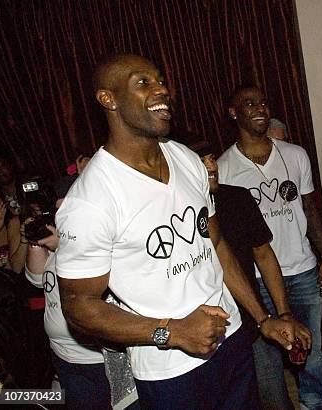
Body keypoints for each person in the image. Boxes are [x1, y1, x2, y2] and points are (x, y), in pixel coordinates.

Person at [55, 54, 301, 409]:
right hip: (170, 369)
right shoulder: (91, 199)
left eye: (160, 80)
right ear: (108, 99)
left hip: (232, 342)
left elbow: (215, 243)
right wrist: (170, 331)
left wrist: (262, 319)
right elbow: (79, 306)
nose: (162, 89)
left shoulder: (185, 158)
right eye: (143, 83)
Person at [218, 85, 322, 410]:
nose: (259, 109)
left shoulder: (294, 155)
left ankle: (314, 405)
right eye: (249, 103)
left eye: (264, 102)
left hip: (302, 270)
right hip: (256, 281)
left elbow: (311, 209)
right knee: (266, 363)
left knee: (310, 352)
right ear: (233, 112)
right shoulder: (225, 168)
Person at [198, 144, 310, 410]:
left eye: (212, 158)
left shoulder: (237, 198)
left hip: (251, 323)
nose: (212, 167)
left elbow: (264, 255)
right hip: (203, 333)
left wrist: (283, 315)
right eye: (201, 161)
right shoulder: (175, 210)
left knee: (275, 401)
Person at [25, 175, 111, 409]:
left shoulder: (89, 236)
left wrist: (63, 245)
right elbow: (36, 279)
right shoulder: (57, 239)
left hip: (94, 359)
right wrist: (36, 238)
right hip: (62, 355)